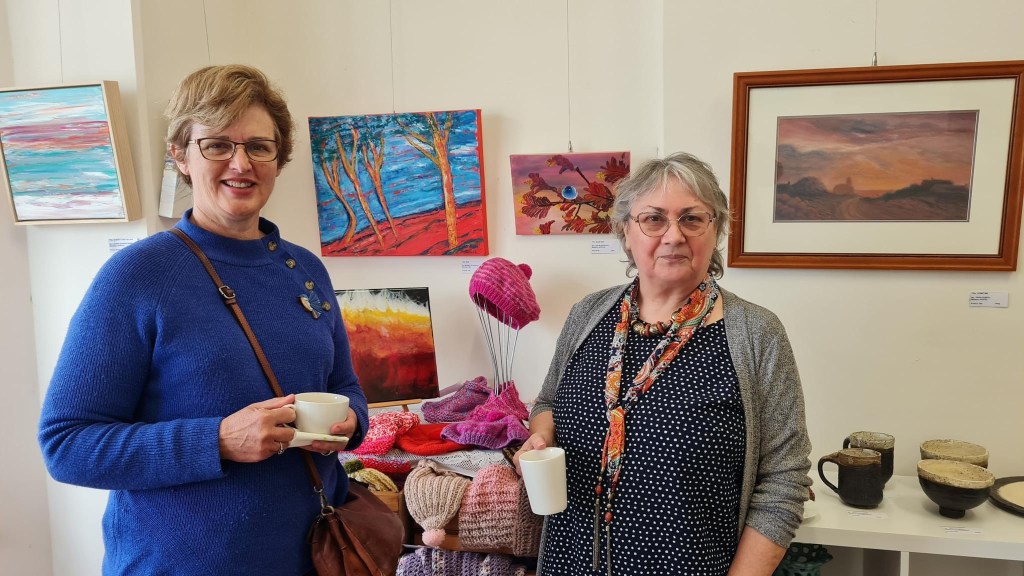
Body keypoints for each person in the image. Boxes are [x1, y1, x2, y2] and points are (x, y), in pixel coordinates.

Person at [38, 64, 368, 575]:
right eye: (217, 145)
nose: (241, 163)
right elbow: (67, 444)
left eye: (259, 146)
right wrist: (217, 441)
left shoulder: (305, 269)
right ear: (181, 156)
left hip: (316, 557)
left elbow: (344, 386)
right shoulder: (137, 275)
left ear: (278, 158)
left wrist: (353, 423)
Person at [514, 152, 812, 576]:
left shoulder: (757, 334)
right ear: (626, 230)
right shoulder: (587, 315)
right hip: (570, 564)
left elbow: (784, 480)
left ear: (716, 229)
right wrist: (541, 436)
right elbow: (547, 402)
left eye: (692, 219)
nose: (674, 235)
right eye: (654, 219)